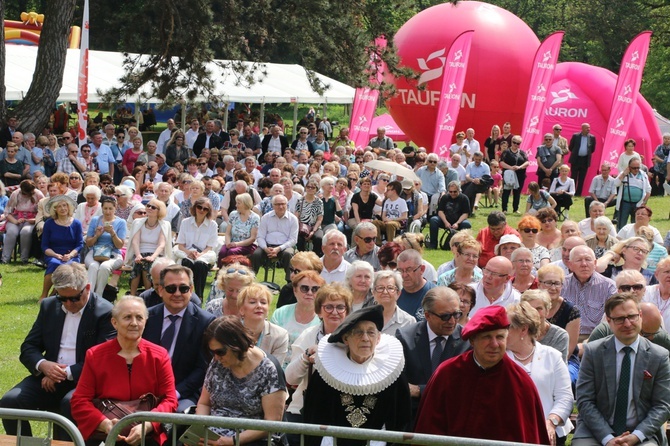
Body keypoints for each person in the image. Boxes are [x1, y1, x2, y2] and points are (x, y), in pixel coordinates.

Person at [0, 264, 114, 440]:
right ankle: (26, 445)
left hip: (84, 380)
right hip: (47, 378)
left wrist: (62, 373)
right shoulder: (49, 306)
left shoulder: (105, 312)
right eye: (63, 299)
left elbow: (102, 359)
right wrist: (44, 365)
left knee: (70, 404)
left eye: (74, 298)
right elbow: (29, 347)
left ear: (88, 288)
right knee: (9, 403)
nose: (68, 304)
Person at [414, 305, 550, 444]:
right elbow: (429, 429)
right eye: (487, 337)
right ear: (473, 341)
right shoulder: (447, 374)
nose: (494, 344)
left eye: (500, 337)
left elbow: (529, 436)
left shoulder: (520, 383)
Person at [70, 296, 178, 445]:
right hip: (105, 436)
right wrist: (104, 424)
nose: (134, 323)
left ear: (145, 322)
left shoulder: (159, 356)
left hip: (148, 437)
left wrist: (148, 425)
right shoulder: (95, 355)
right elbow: (79, 400)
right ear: (114, 322)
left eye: (139, 317)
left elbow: (170, 400)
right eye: (127, 317)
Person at [303, 306, 411, 446]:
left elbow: (401, 419)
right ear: (346, 338)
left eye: (371, 333)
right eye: (358, 332)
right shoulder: (327, 372)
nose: (365, 338)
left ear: (378, 338)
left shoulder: (392, 374)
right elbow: (314, 416)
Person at [573, 293, 670, 446]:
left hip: (641, 432)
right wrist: (607, 438)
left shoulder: (660, 356)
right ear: (609, 321)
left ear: (640, 315)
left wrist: (637, 436)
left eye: (632, 316)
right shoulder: (593, 352)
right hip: (596, 431)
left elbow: (663, 405)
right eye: (619, 319)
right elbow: (585, 401)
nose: (627, 323)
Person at [196, 316, 287, 443]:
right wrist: (200, 431)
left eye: (220, 352)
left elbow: (272, 423)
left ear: (236, 345)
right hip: (213, 436)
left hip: (251, 440)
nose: (216, 357)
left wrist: (232, 441)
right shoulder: (217, 363)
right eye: (213, 353)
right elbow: (204, 403)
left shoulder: (269, 370)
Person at [141, 265, 215, 413]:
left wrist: (173, 394)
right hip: (146, 391)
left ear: (191, 290)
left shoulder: (205, 322)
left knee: (173, 420)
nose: (177, 293)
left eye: (183, 288)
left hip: (183, 392)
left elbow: (203, 368)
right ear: (160, 290)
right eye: (171, 289)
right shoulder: (145, 318)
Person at [284, 284, 353, 438]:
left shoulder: (355, 337)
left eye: (340, 307)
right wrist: (306, 357)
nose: (334, 312)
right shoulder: (309, 334)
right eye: (328, 307)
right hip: (304, 406)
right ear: (319, 311)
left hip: (343, 408)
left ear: (347, 311)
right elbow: (290, 378)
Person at [396, 286, 469, 419]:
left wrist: (420, 390)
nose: (452, 321)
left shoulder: (468, 341)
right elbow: (401, 387)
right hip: (413, 419)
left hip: (452, 418)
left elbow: (464, 387)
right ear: (427, 315)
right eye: (445, 316)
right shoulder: (405, 338)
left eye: (457, 314)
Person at [506, 301, 573, 445]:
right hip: (509, 433)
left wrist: (551, 422)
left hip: (548, 434)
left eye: (507, 327)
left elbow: (565, 397)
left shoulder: (552, 356)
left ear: (523, 329)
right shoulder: (499, 358)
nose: (502, 332)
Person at [562, 245, 617, 340]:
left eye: (588, 259)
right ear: (570, 265)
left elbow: (612, 319)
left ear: (595, 263)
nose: (584, 264)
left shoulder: (609, 286)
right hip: (565, 337)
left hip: (596, 338)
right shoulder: (561, 285)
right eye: (579, 260)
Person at [270, 270, 323, 368]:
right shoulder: (280, 313)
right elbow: (271, 345)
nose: (310, 293)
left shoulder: (323, 318)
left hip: (308, 371)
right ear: (295, 290)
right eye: (304, 288)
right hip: (277, 368)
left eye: (315, 289)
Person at [125, 199, 172, 295]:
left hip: (156, 254)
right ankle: (133, 295)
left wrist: (153, 257)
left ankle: (147, 295)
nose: (149, 208)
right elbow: (135, 241)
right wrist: (138, 255)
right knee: (138, 263)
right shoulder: (138, 222)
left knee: (146, 265)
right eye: (148, 206)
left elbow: (161, 244)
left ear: (159, 211)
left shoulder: (164, 225)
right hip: (140, 252)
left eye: (153, 207)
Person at [174, 197, 218, 298]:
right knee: (187, 263)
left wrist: (200, 254)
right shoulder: (185, 222)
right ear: (195, 208)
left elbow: (209, 247)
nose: (202, 210)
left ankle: (198, 297)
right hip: (186, 253)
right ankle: (184, 294)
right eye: (199, 207)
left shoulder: (213, 225)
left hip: (204, 255)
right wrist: (189, 252)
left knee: (200, 265)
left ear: (208, 211)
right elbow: (180, 245)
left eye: (205, 209)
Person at [41, 195, 84, 298]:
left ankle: (54, 294)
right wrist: (55, 255)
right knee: (54, 264)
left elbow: (80, 244)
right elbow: (44, 245)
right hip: (53, 254)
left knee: (68, 267)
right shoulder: (49, 223)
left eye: (64, 205)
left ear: (69, 207)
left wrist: (70, 255)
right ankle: (44, 294)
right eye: (59, 206)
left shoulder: (76, 223)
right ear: (55, 209)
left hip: (72, 255)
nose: (62, 208)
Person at [84, 196, 126, 295]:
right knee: (94, 266)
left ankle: (98, 296)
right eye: (105, 208)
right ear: (102, 208)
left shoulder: (121, 222)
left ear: (115, 208)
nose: (107, 212)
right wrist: (97, 236)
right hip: (95, 252)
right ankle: (88, 295)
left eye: (110, 208)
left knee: (104, 267)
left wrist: (112, 233)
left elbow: (120, 246)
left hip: (113, 253)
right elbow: (88, 243)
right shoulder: (95, 220)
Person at [251, 195, 298, 282]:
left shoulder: (293, 219)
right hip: (267, 246)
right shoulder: (266, 217)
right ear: (273, 206)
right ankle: (250, 280)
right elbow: (260, 236)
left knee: (289, 254)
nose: (280, 206)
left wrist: (278, 249)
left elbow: (293, 239)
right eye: (277, 204)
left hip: (284, 247)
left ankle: (290, 282)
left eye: (283, 204)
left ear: (287, 205)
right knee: (255, 254)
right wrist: (265, 248)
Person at [238, 283, 289, 364]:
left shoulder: (280, 335)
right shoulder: (230, 332)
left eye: (263, 302)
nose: (259, 306)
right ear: (241, 310)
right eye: (252, 302)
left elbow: (275, 369)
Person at [538, 264, 581, 359]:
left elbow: (568, 351)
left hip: (565, 360)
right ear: (539, 284)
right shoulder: (530, 307)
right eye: (548, 283)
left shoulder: (571, 311)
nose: (553, 288)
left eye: (557, 283)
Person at [1, 179, 43, 264]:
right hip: (15, 218)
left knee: (26, 232)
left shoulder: (38, 194)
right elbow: (7, 212)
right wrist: (15, 221)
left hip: (32, 219)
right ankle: (5, 258)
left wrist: (33, 220)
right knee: (11, 232)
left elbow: (43, 212)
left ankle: (24, 258)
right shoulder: (15, 193)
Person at [428, 180, 471, 248]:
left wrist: (457, 223)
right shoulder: (445, 197)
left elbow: (466, 213)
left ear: (459, 190)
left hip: (459, 221)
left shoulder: (464, 198)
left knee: (467, 224)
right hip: (446, 220)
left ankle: (462, 245)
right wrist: (445, 222)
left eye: (455, 191)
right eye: (450, 191)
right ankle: (433, 244)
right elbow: (440, 211)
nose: (452, 193)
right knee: (433, 220)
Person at [397, 249, 436, 321]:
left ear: (422, 269)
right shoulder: (393, 294)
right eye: (400, 270)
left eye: (409, 270)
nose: (404, 275)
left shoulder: (435, 295)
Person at [614, 157, 651, 231]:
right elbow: (616, 183)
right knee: (621, 223)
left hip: (638, 203)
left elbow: (648, 189)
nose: (636, 170)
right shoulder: (624, 174)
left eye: (638, 167)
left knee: (637, 222)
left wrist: (644, 202)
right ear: (629, 167)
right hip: (625, 203)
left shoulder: (643, 175)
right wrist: (624, 174)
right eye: (634, 168)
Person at [372, 180, 408, 246]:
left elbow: (404, 216)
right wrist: (385, 219)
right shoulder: (387, 201)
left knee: (390, 224)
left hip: (397, 222)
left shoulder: (401, 201)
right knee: (375, 222)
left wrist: (391, 220)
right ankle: (378, 243)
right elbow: (383, 216)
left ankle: (390, 244)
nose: (386, 192)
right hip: (386, 221)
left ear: (394, 191)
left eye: (388, 190)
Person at [499, 135, 529, 214]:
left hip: (520, 175)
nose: (515, 144)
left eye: (518, 143)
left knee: (517, 192)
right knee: (506, 191)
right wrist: (510, 168)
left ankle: (515, 209)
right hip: (508, 175)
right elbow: (501, 162)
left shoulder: (522, 153)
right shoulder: (506, 152)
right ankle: (504, 209)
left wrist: (519, 167)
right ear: (511, 142)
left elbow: (527, 162)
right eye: (514, 142)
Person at [568, 123, 597, 196]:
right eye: (587, 128)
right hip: (576, 159)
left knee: (582, 178)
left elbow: (592, 149)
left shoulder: (592, 137)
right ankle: (572, 193)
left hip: (585, 160)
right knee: (573, 177)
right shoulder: (576, 136)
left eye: (589, 128)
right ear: (582, 128)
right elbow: (571, 147)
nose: (588, 129)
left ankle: (578, 193)